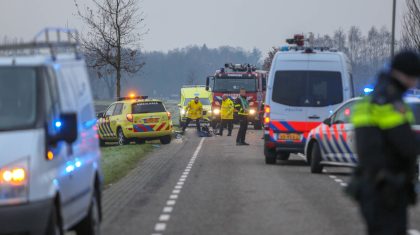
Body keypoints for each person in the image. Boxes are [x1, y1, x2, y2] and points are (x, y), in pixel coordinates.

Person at [348, 51, 420, 235]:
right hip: (389, 188)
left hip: (370, 185)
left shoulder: (369, 100)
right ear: (405, 75)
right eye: (414, 77)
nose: (415, 82)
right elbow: (406, 147)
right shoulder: (390, 102)